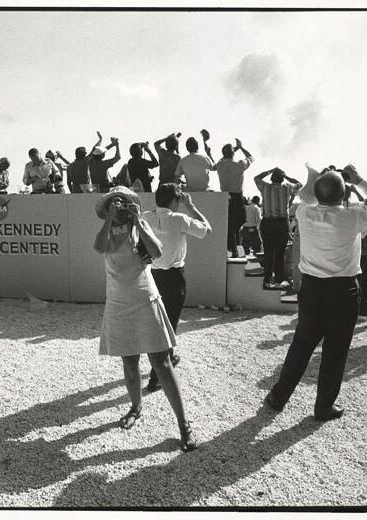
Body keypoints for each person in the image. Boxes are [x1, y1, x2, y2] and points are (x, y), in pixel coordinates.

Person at [264, 164, 367, 421]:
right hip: (342, 290)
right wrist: (358, 179)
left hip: (311, 289)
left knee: (301, 346)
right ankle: (323, 407)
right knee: (335, 352)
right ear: (344, 194)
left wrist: (320, 178)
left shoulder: (304, 212)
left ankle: (278, 397)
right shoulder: (353, 217)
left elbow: (306, 197)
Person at [93, 186, 196, 452]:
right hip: (118, 300)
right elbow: (99, 247)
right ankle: (136, 407)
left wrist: (138, 221)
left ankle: (184, 424)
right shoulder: (107, 228)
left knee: (161, 362)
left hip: (144, 297)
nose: (120, 207)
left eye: (124, 203)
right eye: (115, 203)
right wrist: (109, 220)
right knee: (129, 361)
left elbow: (158, 252)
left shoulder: (139, 226)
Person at [142, 183, 211, 392]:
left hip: (151, 276)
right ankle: (156, 378)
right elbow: (206, 229)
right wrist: (191, 207)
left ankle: (169, 356)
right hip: (174, 278)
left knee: (158, 324)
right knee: (168, 326)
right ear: (175, 201)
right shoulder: (180, 219)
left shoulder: (146, 217)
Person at [254, 167, 302, 289]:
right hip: (281, 223)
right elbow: (299, 184)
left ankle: (267, 279)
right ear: (282, 179)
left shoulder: (265, 187)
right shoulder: (287, 188)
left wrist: (269, 171)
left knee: (268, 252)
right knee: (280, 253)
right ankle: (279, 279)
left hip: (268, 222)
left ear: (271, 178)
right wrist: (286, 176)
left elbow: (256, 178)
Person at [216, 138, 255, 257]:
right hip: (237, 197)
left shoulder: (220, 165)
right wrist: (241, 147)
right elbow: (251, 157)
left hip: (225, 197)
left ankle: (232, 246)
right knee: (239, 221)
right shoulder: (239, 165)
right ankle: (233, 247)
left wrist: (234, 149)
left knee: (230, 225)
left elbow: (223, 158)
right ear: (233, 153)